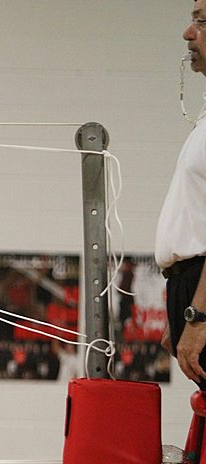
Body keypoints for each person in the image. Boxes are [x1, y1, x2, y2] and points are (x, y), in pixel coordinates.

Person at [157, 0, 206, 390]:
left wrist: (198, 316)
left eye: (200, 22)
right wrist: (177, 310)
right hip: (189, 289)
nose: (188, 34)